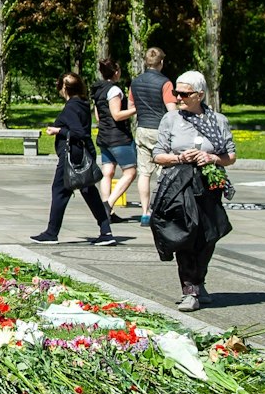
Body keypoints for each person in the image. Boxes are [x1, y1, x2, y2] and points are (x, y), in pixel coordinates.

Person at [153, 70, 237, 311]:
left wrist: (210, 157)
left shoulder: (218, 120)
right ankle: (189, 289)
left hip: (208, 185)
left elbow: (230, 155)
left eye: (184, 93)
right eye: (175, 93)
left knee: (208, 235)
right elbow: (157, 154)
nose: (178, 97)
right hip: (178, 186)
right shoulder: (171, 120)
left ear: (199, 95)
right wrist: (180, 158)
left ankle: (199, 281)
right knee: (185, 234)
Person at [32, 72, 117, 246]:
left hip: (71, 156)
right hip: (82, 153)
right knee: (89, 192)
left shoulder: (71, 106)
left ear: (64, 88)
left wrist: (58, 131)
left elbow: (79, 132)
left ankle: (51, 232)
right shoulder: (82, 104)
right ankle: (106, 231)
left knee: (59, 191)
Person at [129, 48, 177, 226]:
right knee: (162, 172)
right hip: (160, 130)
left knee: (144, 173)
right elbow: (171, 111)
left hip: (142, 128)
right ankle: (162, 210)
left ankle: (144, 213)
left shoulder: (135, 82)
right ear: (161, 62)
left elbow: (131, 105)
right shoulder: (165, 83)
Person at [93, 57, 137, 221]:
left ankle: (107, 212)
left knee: (108, 172)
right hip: (118, 137)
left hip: (103, 135)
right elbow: (117, 115)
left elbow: (98, 115)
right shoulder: (114, 91)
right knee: (130, 172)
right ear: (116, 73)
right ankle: (108, 205)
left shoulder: (98, 90)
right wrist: (134, 110)